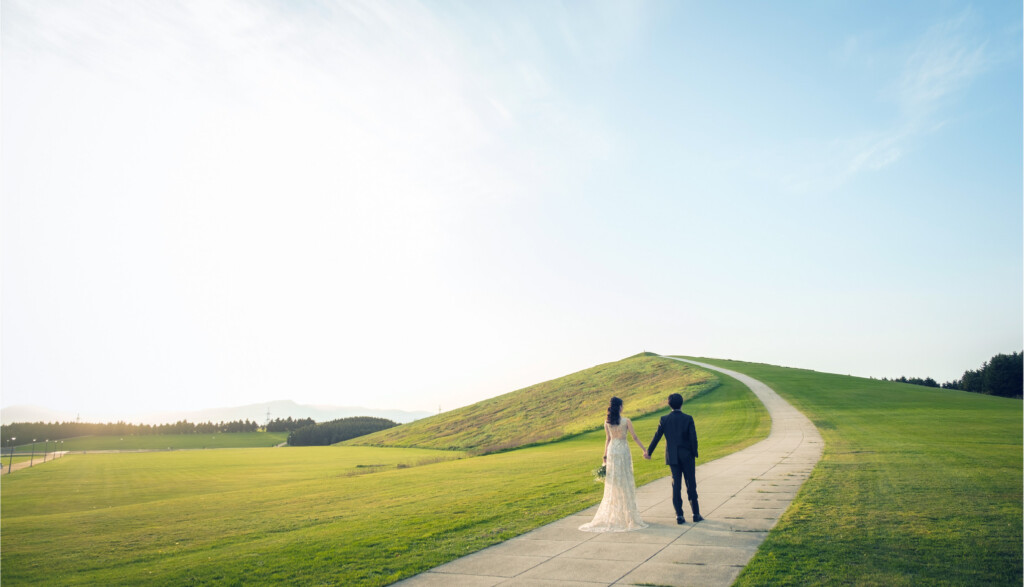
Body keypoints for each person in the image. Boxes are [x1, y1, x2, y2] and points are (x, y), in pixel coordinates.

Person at [579, 397, 649, 532]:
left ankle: (616, 514)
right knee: (625, 481)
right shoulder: (626, 421)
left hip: (612, 450)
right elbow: (634, 437)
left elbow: (608, 439)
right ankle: (628, 516)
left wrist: (605, 455)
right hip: (622, 450)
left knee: (615, 482)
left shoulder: (607, 422)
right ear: (620, 407)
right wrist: (644, 449)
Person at [645, 393, 703, 524]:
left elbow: (657, 437)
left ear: (668, 404)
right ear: (682, 403)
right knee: (691, 484)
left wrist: (649, 452)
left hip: (672, 456)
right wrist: (694, 453)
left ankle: (679, 516)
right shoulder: (688, 418)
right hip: (687, 456)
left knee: (676, 485)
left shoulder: (664, 419)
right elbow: (693, 438)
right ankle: (696, 514)